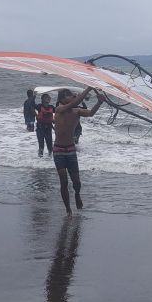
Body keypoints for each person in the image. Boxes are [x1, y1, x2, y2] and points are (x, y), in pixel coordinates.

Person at [53, 87, 105, 215]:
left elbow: (91, 113)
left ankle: (77, 194)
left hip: (71, 149)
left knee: (77, 182)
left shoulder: (77, 111)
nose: (74, 97)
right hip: (58, 150)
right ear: (63, 99)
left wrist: (99, 102)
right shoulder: (58, 109)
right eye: (71, 96)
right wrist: (88, 88)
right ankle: (68, 210)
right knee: (64, 181)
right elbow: (74, 103)